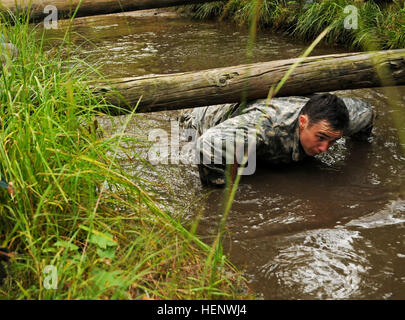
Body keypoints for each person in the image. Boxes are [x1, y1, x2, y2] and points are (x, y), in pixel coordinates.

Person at [180, 93, 375, 187]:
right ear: (303, 122)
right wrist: (222, 194)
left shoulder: (346, 121)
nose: (325, 148)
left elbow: (367, 111)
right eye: (321, 138)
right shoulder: (268, 127)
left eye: (333, 142)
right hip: (200, 117)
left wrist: (360, 150)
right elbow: (208, 144)